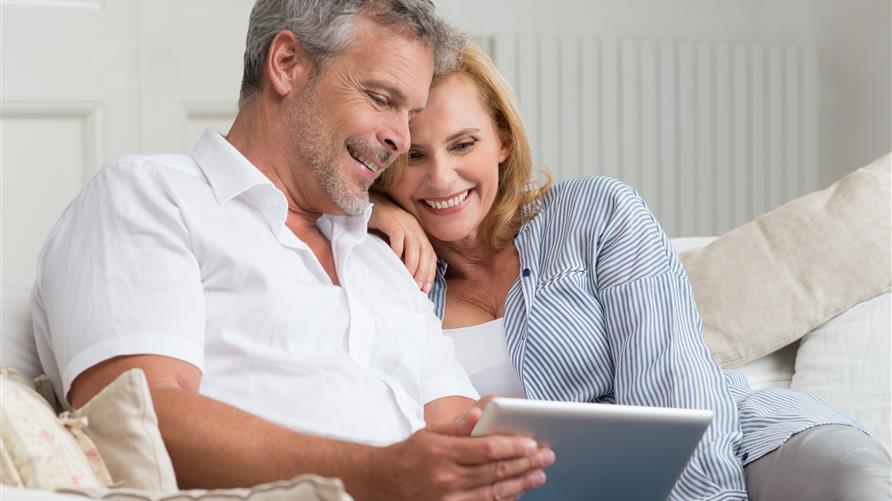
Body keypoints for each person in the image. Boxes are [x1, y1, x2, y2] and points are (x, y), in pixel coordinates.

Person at [31, 2, 555, 499]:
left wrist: (505, 446)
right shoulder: (153, 198)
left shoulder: (382, 258)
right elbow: (134, 416)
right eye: (382, 99)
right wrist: (380, 475)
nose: (400, 138)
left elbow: (454, 418)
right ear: (287, 64)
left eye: (410, 113)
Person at [369, 42, 892, 500]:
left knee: (858, 487)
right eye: (413, 156)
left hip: (739, 448)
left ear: (502, 139)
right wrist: (369, 212)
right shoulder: (380, 271)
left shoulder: (596, 213)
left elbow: (674, 385)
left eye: (464, 144)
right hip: (557, 491)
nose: (441, 178)